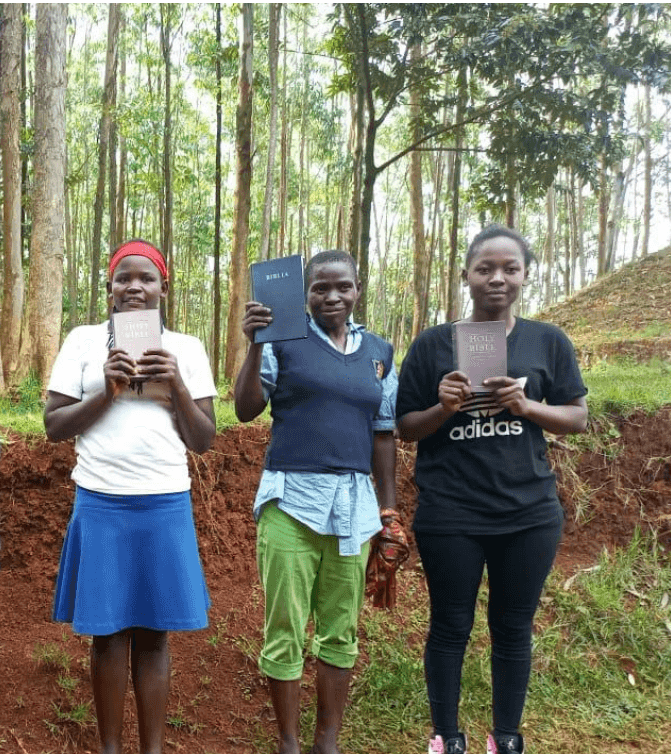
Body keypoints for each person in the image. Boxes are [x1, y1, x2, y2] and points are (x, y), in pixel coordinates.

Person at [397, 226, 588, 754]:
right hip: (450, 511)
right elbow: (406, 427)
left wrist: (527, 408)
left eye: (510, 268)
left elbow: (577, 416)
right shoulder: (433, 344)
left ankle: (506, 737)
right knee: (450, 625)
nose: (497, 278)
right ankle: (447, 737)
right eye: (485, 268)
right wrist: (444, 407)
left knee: (512, 628)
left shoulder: (547, 341)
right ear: (466, 276)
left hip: (528, 513)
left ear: (526, 275)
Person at [45, 239, 217, 754]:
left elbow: (203, 439)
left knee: (155, 634)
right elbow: (53, 426)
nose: (135, 287)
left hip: (163, 503)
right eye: (124, 278)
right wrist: (108, 391)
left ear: (164, 287)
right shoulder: (82, 342)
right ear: (110, 289)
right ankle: (110, 748)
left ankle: (153, 748)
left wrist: (178, 386)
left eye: (146, 278)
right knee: (109, 633)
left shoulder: (186, 348)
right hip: (101, 502)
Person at [233, 249, 398, 754]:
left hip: (353, 507)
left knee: (341, 630)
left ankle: (326, 741)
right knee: (284, 627)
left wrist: (388, 514)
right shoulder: (285, 340)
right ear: (304, 294)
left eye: (342, 286)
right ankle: (288, 742)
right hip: (291, 502)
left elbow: (384, 432)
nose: (332, 296)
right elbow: (244, 409)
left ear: (357, 289)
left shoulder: (380, 352)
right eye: (320, 288)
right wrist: (255, 346)